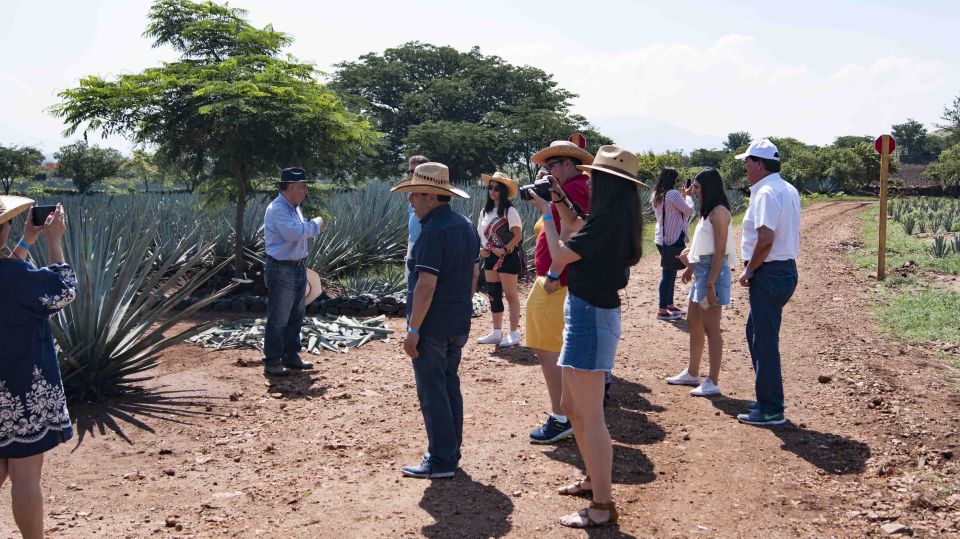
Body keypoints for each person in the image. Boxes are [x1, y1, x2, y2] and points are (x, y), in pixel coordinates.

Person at [528, 145, 646, 528]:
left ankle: (602, 505)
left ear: (609, 184)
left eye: (595, 176)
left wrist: (546, 211)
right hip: (586, 312)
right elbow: (577, 228)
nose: (588, 179)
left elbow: (561, 256)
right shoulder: (611, 218)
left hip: (590, 317)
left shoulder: (608, 222)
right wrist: (560, 201)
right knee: (573, 407)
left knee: (590, 416)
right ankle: (593, 481)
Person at [391, 162, 480, 479]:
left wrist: (414, 329)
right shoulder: (465, 225)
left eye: (414, 194)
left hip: (433, 326)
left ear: (430, 196)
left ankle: (441, 459)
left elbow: (425, 285)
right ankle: (450, 450)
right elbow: (473, 274)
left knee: (432, 390)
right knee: (449, 384)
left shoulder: (432, 232)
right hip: (457, 322)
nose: (411, 201)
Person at [0, 197, 75, 539]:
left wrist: (25, 242)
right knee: (25, 475)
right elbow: (63, 290)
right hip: (22, 389)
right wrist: (53, 240)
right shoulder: (17, 278)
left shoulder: (12, 274)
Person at [524, 138, 593, 444]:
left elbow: (569, 230)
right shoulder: (575, 187)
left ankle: (561, 416)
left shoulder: (575, 188)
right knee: (550, 347)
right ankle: (567, 412)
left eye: (551, 165)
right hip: (559, 277)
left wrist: (553, 272)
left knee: (548, 348)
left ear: (567, 163)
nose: (547, 172)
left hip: (558, 279)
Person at [733, 139, 801, 426]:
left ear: (760, 164)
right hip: (783, 270)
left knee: (765, 341)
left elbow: (765, 239)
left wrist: (749, 270)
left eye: (747, 162)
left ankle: (772, 409)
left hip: (769, 273)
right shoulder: (788, 189)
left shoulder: (765, 193)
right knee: (756, 333)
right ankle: (766, 398)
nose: (745, 168)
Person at [665, 168, 735, 396]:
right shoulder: (708, 212)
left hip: (712, 275)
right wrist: (691, 268)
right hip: (703, 273)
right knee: (693, 322)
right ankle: (692, 373)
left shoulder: (720, 212)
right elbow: (705, 246)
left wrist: (710, 283)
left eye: (697, 187)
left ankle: (712, 380)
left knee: (711, 327)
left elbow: (720, 251)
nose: (693, 191)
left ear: (708, 187)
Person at [262, 167, 324, 376]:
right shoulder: (278, 208)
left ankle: (291, 355)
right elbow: (294, 233)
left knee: (296, 315)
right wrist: (315, 224)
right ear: (291, 187)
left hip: (296, 267)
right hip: (282, 269)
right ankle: (272, 361)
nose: (306, 191)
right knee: (279, 317)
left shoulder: (293, 207)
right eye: (303, 187)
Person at [476, 172, 523, 347]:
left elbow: (518, 235)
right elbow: (481, 235)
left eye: (496, 188)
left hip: (508, 258)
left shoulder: (510, 211)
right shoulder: (484, 211)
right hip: (489, 258)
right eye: (490, 187)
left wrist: (503, 249)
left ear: (503, 191)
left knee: (511, 296)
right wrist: (482, 250)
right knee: (494, 294)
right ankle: (496, 332)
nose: (492, 191)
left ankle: (513, 333)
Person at [651, 167, 694, 320]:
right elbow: (689, 211)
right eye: (677, 179)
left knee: (671, 271)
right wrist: (687, 196)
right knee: (668, 273)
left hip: (661, 237)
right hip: (673, 238)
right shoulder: (674, 194)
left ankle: (669, 305)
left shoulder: (657, 194)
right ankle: (662, 309)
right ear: (673, 180)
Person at [405, 155, 430, 282]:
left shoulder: (431, 195)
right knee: (410, 283)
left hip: (426, 244)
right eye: (409, 171)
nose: (411, 174)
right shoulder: (410, 192)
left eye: (414, 171)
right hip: (412, 242)